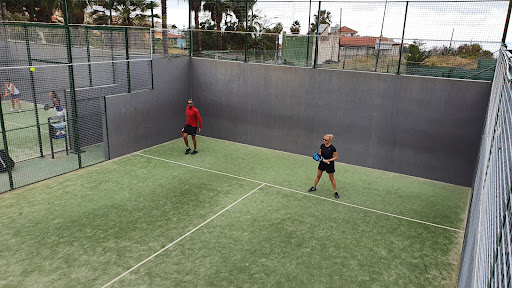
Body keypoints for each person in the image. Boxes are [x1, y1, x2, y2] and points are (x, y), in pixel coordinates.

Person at [308, 134, 339, 198]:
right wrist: (317, 157)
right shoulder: (322, 146)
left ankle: (335, 192)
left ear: (329, 141)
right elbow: (320, 154)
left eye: (325, 140)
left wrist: (329, 160)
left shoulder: (332, 148)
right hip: (322, 163)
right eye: (323, 139)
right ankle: (314, 187)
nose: (324, 140)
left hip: (330, 164)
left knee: (332, 179)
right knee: (318, 176)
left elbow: (336, 157)